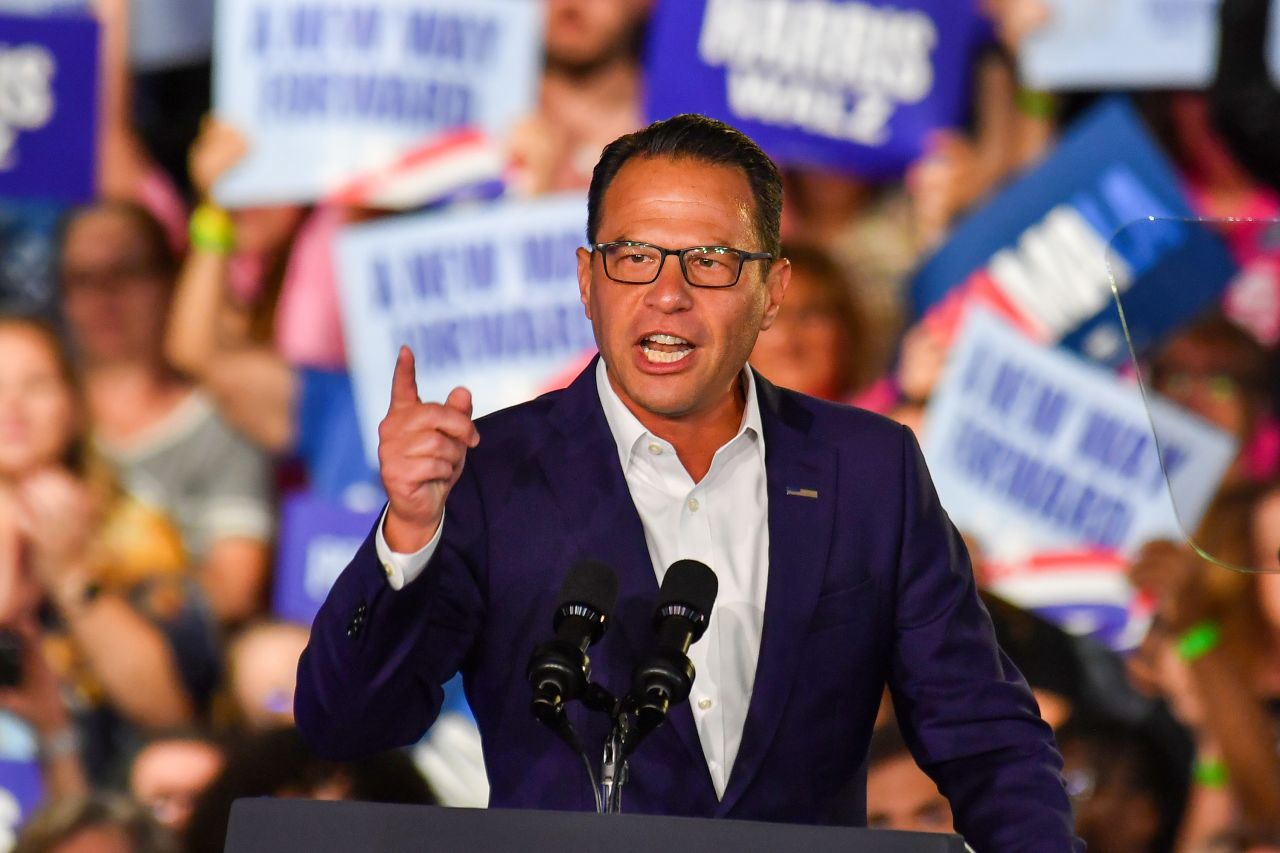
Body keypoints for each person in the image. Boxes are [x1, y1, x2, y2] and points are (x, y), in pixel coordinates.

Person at [295, 114, 1079, 849]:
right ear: (587, 278)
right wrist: (405, 535)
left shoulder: (868, 470)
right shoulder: (493, 473)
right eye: (634, 256)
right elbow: (346, 725)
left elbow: (985, 736)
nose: (667, 294)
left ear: (771, 289)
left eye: (710, 260)